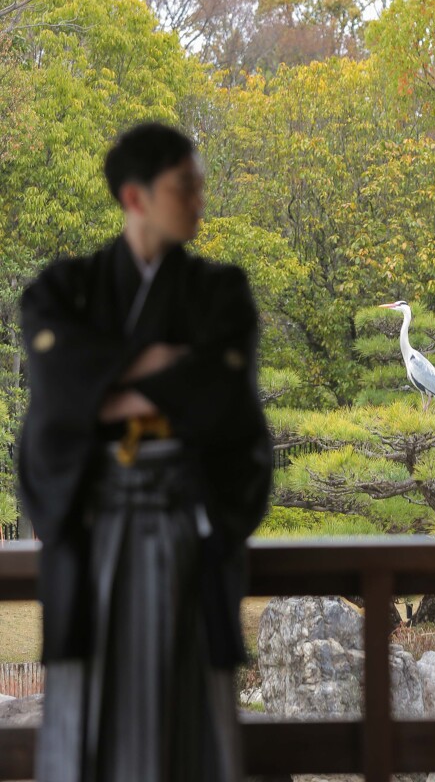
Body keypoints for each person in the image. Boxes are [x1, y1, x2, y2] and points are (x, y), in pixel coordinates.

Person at [18, 122, 272, 782]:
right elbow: (56, 389)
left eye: (199, 186)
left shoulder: (222, 291)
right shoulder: (62, 289)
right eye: (184, 187)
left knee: (195, 721)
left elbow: (224, 400)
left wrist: (102, 382)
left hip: (191, 523)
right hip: (94, 525)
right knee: (87, 715)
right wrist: (171, 371)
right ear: (135, 198)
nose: (199, 200)